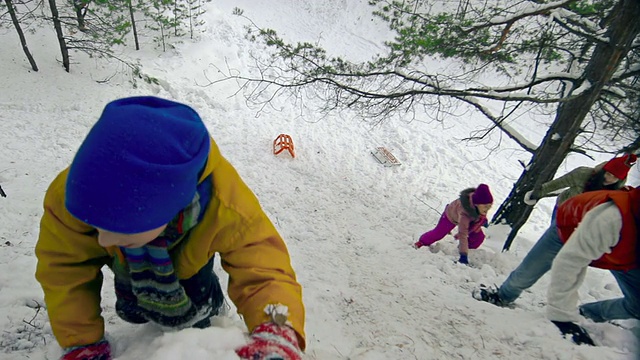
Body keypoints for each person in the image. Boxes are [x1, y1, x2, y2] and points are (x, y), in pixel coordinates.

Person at [35, 97, 305, 360]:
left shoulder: (226, 205)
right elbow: (65, 269)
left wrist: (277, 330)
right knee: (136, 301)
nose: (103, 240)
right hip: (132, 265)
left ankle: (207, 307)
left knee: (198, 298)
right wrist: (82, 342)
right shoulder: (73, 197)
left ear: (168, 209)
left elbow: (264, 270)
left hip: (192, 261)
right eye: (95, 227)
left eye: (121, 229)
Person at [473, 187, 639, 346]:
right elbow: (569, 263)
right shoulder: (612, 218)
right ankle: (503, 295)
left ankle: (588, 314)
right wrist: (562, 317)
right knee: (526, 274)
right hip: (567, 231)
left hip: (621, 251)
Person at [524, 154, 636, 220]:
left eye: (614, 178)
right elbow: (558, 183)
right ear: (602, 171)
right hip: (564, 209)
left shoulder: (617, 193)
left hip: (584, 221)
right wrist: (537, 193)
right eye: (608, 174)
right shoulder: (583, 174)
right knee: (555, 237)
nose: (609, 179)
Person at [414, 184, 494, 265]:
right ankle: (422, 242)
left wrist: (483, 221)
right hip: (450, 216)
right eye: (485, 206)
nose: (487, 209)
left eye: (490, 206)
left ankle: (465, 248)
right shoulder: (464, 214)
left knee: (479, 237)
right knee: (438, 233)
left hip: (470, 218)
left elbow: (481, 215)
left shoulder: (480, 206)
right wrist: (463, 256)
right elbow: (463, 234)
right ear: (477, 204)